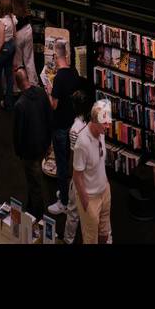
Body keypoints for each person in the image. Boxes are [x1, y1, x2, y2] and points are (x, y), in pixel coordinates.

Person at [12, 67, 52, 218]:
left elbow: (18, 133)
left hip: (30, 152)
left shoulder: (20, 105)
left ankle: (38, 216)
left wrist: (19, 152)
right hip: (43, 145)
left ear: (17, 84)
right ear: (28, 79)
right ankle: (30, 206)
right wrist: (49, 142)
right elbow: (49, 118)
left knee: (35, 184)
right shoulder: (41, 93)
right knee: (33, 178)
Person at [47, 39, 81, 216]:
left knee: (61, 164)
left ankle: (63, 203)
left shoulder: (59, 78)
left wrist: (48, 90)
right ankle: (66, 192)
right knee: (69, 159)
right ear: (66, 55)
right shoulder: (74, 73)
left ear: (55, 55)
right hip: (71, 122)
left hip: (60, 125)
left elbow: (54, 105)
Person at [73, 97, 113, 244]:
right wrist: (85, 202)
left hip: (104, 191)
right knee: (91, 239)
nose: (108, 126)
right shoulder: (82, 143)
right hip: (90, 198)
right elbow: (77, 176)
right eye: (105, 123)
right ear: (94, 122)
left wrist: (106, 184)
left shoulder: (101, 133)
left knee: (105, 232)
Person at [62, 91, 88, 245]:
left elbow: (73, 154)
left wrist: (71, 178)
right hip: (90, 172)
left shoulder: (74, 129)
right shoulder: (90, 122)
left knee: (72, 211)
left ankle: (68, 239)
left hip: (79, 174)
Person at [13, 0, 38, 88]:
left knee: (17, 62)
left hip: (18, 32)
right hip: (27, 28)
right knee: (29, 60)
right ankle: (33, 83)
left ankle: (17, 86)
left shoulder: (11, 2)